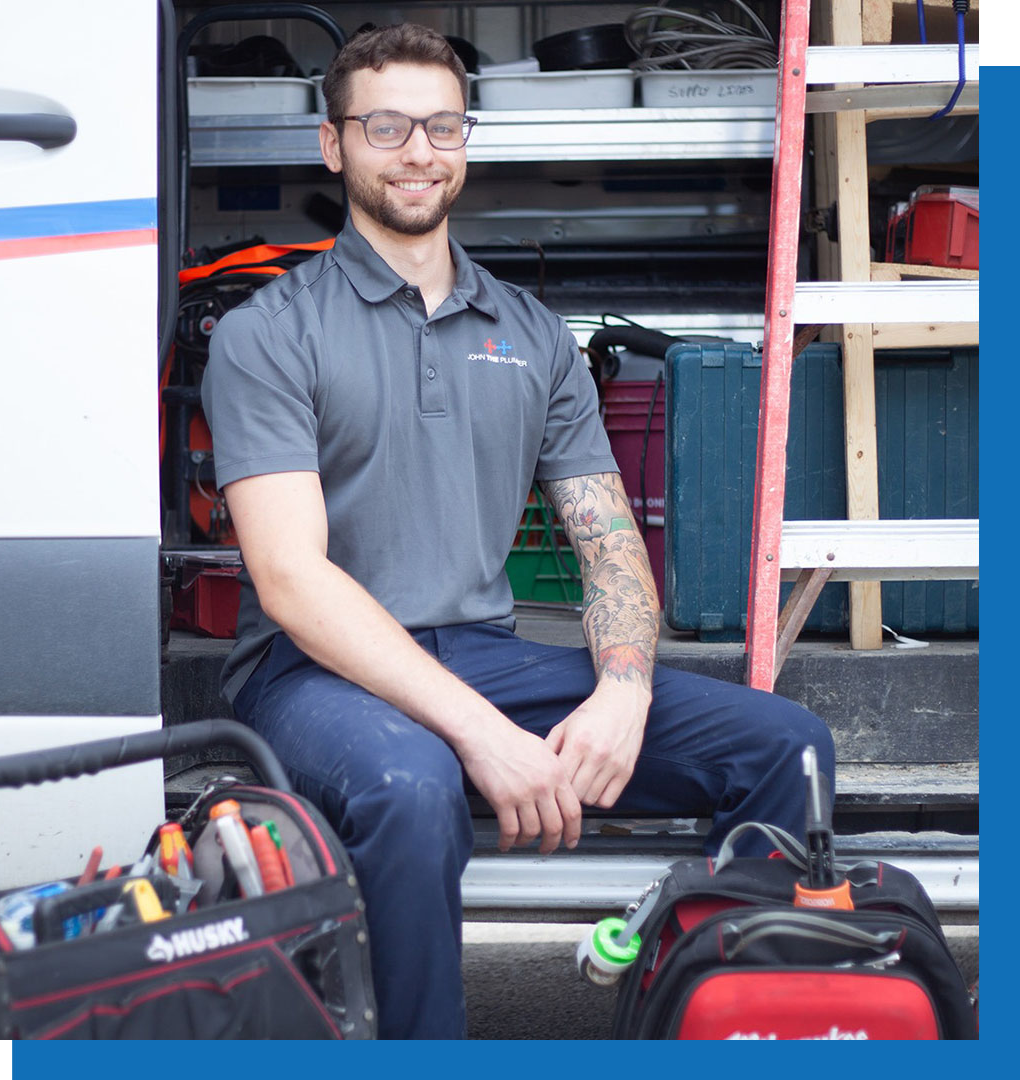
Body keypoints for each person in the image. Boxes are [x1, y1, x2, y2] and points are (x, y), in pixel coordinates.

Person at [201, 22, 835, 1040]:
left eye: (442, 125)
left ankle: (728, 1021)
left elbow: (609, 543)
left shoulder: (533, 334)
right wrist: (483, 734)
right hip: (316, 673)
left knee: (784, 746)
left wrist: (624, 691)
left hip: (485, 655)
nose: (418, 150)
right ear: (333, 145)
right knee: (410, 788)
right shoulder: (268, 334)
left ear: (467, 139)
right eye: (386, 126)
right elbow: (290, 581)